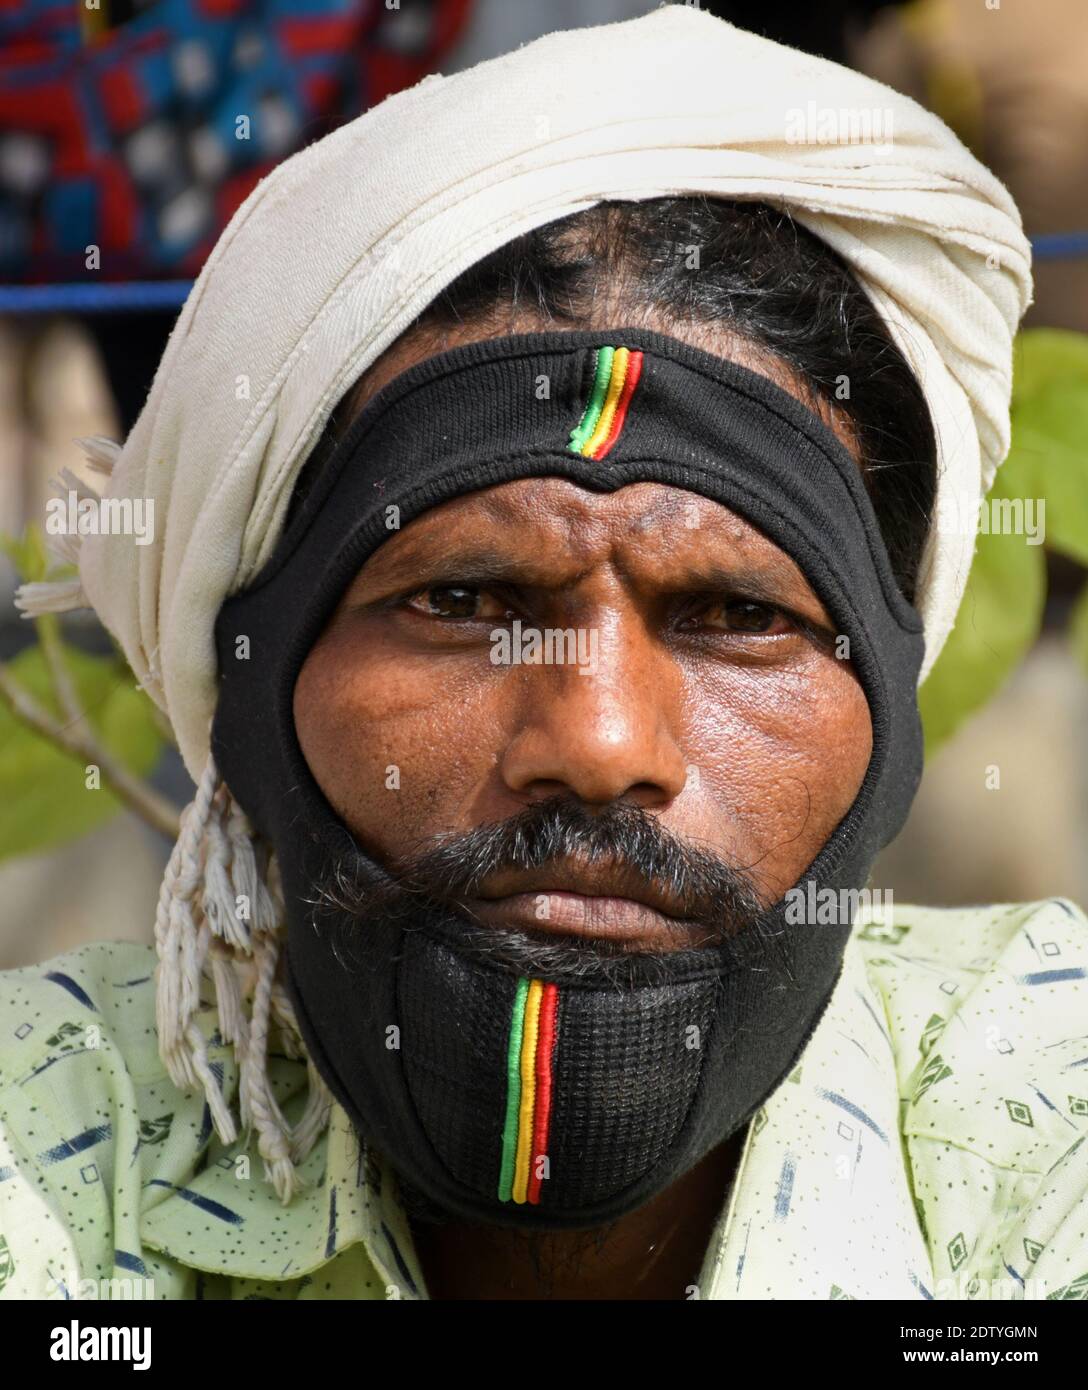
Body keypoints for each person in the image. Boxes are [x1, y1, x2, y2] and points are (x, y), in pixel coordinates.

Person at [2, 5, 1084, 1302]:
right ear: (252, 688)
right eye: (459, 597)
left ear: (891, 728)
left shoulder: (1045, 1128)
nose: (597, 741)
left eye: (741, 618)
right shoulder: (48, 1162)